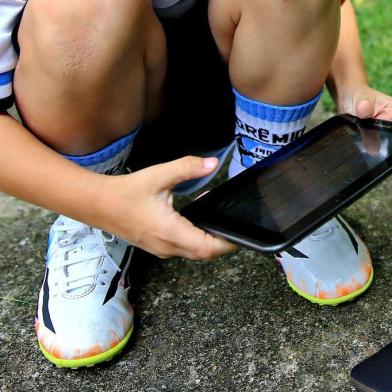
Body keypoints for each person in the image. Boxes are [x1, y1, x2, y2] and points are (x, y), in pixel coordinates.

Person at [0, 0, 391, 368]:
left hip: (233, 87)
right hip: (91, 107)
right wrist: (98, 202)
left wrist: (351, 83)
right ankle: (92, 214)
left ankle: (270, 165)